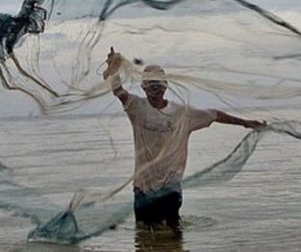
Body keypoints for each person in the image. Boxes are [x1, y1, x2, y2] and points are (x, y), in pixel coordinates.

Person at [102, 48, 265, 235]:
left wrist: (245, 123)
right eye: (150, 85)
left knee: (174, 233)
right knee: (144, 235)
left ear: (165, 87)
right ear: (143, 87)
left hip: (171, 187)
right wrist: (113, 70)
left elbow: (215, 114)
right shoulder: (137, 107)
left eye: (157, 85)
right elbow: (119, 92)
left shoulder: (182, 113)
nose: (154, 90)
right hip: (143, 189)